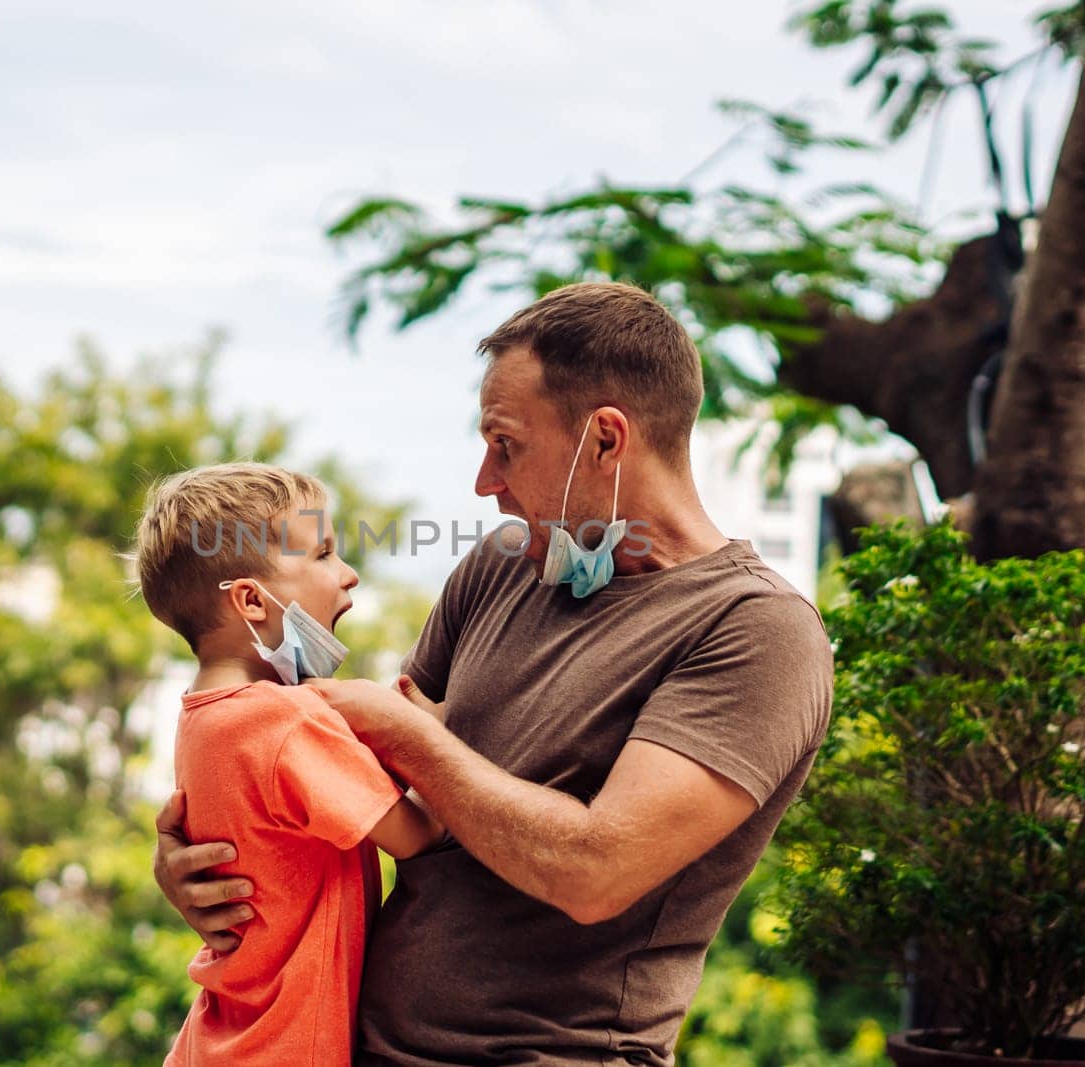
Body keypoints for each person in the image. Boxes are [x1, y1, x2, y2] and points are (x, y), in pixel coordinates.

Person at [155, 283, 834, 1065]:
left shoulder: (756, 632)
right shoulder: (506, 564)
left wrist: (402, 729)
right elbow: (371, 785)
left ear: (606, 440)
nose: (485, 482)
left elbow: (594, 869)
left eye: (506, 444)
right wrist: (211, 857)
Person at [135, 462, 442, 1066]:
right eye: (324, 554)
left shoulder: (203, 718)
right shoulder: (285, 720)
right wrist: (428, 731)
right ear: (251, 600)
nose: (349, 574)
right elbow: (417, 835)